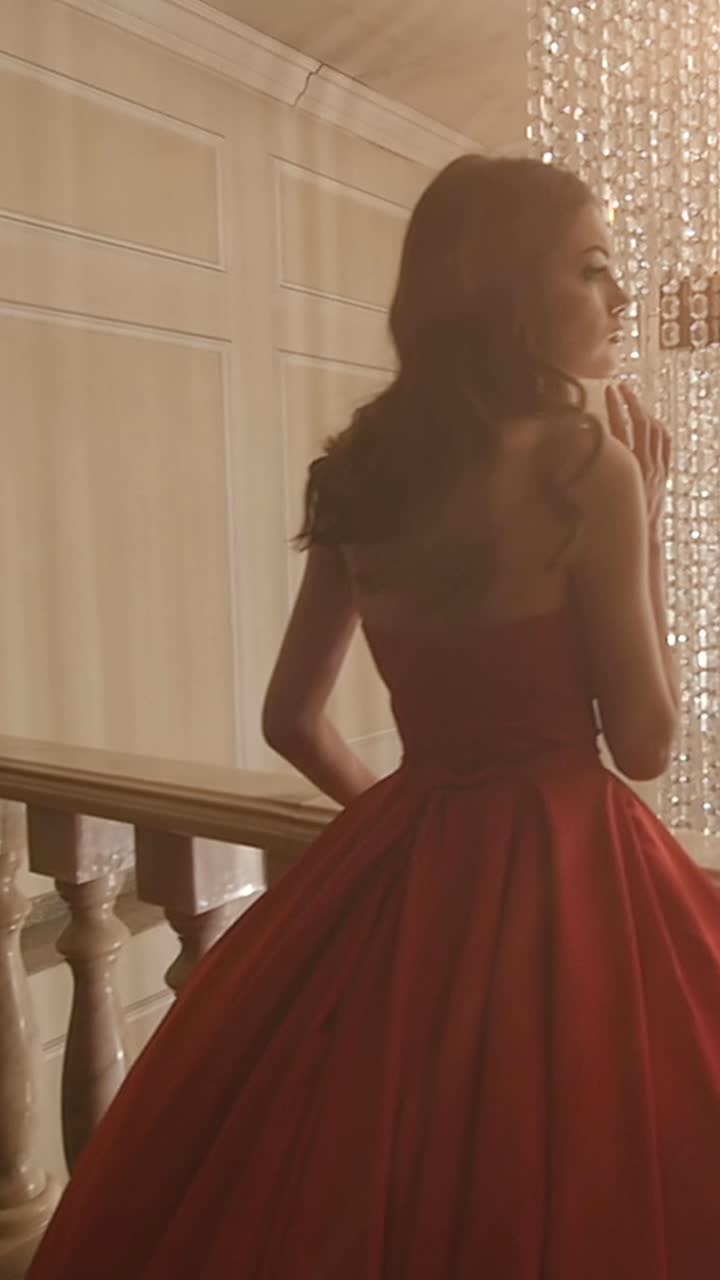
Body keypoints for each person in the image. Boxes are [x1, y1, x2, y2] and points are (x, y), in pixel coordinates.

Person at [28, 155, 720, 1279]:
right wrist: (645, 514)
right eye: (594, 270)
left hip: (408, 853)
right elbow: (642, 743)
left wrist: (404, 828)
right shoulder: (585, 464)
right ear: (505, 291)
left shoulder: (362, 472)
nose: (623, 298)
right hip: (572, 873)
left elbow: (290, 715)